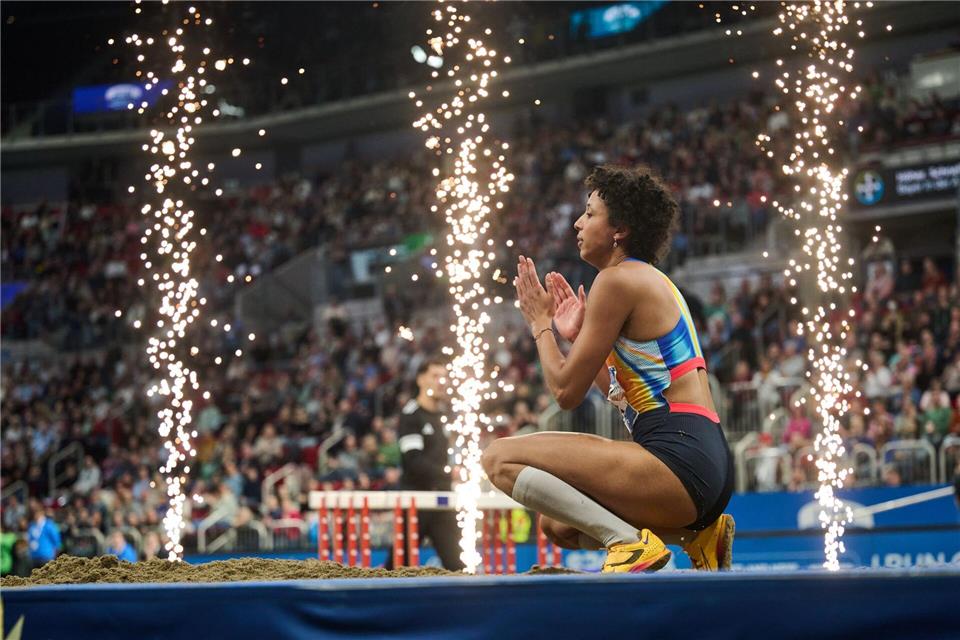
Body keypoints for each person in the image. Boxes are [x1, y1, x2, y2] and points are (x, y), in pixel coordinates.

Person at [483, 164, 735, 573]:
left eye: (589, 213)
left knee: (499, 458)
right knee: (558, 524)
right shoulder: (652, 281)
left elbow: (565, 394)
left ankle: (631, 546)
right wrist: (576, 338)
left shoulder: (616, 281)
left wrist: (540, 325)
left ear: (619, 229)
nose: (578, 223)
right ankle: (699, 537)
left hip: (679, 459)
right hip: (704, 461)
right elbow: (625, 397)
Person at [388, 358, 466, 571]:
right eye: (435, 376)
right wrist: (450, 474)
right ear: (421, 380)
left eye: (444, 377)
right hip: (415, 501)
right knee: (395, 567)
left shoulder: (442, 416)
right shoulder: (411, 415)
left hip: (442, 501)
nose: (441, 382)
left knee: (457, 565)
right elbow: (413, 462)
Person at [26, 500, 62, 569]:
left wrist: (54, 555)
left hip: (46, 557)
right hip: (34, 557)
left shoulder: (49, 525)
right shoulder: (32, 525)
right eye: (34, 513)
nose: (35, 515)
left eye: (37, 512)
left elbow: (57, 542)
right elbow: (29, 540)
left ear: (42, 512)